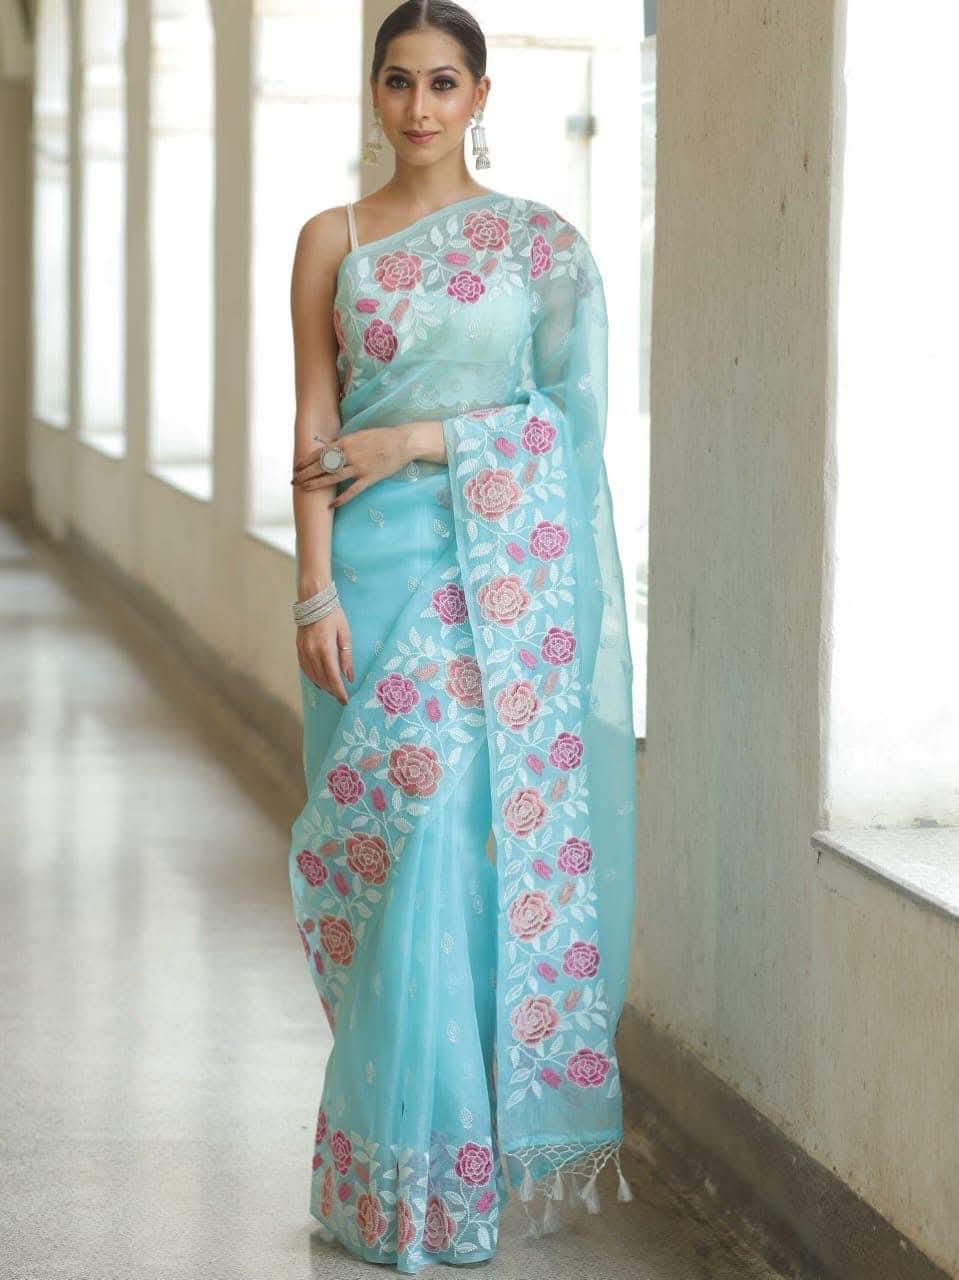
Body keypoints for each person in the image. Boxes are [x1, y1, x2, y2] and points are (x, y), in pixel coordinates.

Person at [286, 2, 637, 1271]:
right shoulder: (330, 240)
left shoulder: (538, 248)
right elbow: (311, 421)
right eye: (399, 81)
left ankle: (442, 1181)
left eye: (443, 83)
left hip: (492, 591)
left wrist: (419, 440)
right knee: (388, 864)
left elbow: (566, 429)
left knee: (445, 839)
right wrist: (313, 589)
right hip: (367, 582)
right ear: (374, 92)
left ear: (480, 95)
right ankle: (378, 1181)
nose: (419, 107)